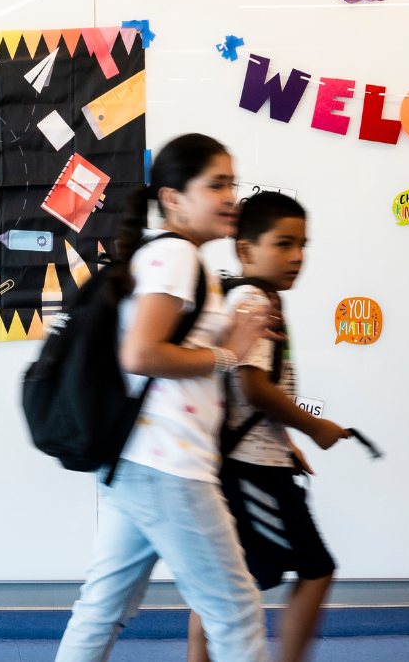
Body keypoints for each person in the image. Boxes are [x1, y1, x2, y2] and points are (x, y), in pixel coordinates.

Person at [55, 134, 276, 662]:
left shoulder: (168, 257)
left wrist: (226, 340)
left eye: (232, 183)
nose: (230, 197)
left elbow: (167, 356)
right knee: (237, 610)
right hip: (170, 465)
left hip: (133, 463)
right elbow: (142, 354)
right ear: (174, 198)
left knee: (101, 610)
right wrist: (228, 354)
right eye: (216, 184)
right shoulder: (178, 256)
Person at [187, 191, 351, 662]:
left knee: (227, 578)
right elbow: (253, 387)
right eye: (283, 244)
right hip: (252, 470)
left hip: (252, 460)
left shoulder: (252, 295)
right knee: (315, 570)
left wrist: (285, 441)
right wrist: (314, 428)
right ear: (245, 249)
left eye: (302, 245)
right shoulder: (255, 301)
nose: (297, 256)